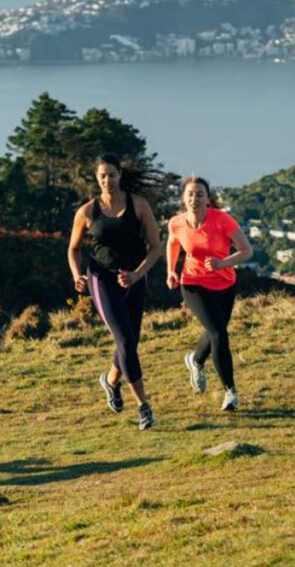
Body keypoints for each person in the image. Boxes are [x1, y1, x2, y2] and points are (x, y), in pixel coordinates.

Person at [67, 154, 162, 430]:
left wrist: (136, 275)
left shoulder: (139, 205)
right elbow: (73, 249)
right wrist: (76, 275)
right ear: (96, 179)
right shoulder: (87, 212)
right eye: (102, 176)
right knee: (125, 341)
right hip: (102, 279)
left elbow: (155, 247)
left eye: (111, 174)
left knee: (129, 341)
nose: (107, 180)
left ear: (120, 175)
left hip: (135, 278)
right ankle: (144, 407)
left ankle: (110, 381)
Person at [166, 176, 252, 411]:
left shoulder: (222, 220)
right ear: (184, 197)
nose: (194, 198)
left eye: (199, 194)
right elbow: (173, 243)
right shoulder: (176, 222)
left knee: (215, 330)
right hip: (193, 283)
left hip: (225, 284)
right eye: (190, 194)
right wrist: (171, 271)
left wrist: (224, 263)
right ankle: (230, 392)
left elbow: (246, 251)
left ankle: (195, 360)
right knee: (218, 334)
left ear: (207, 198)